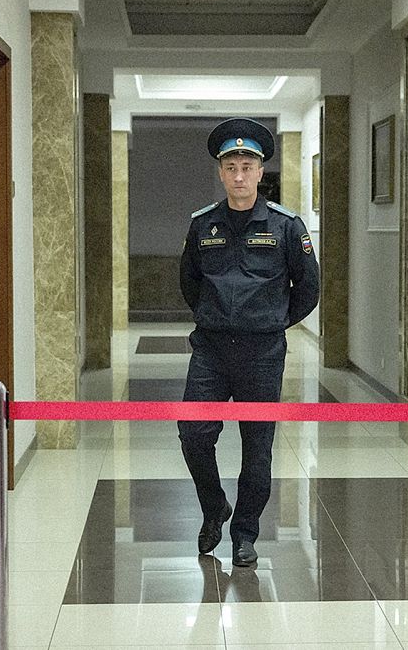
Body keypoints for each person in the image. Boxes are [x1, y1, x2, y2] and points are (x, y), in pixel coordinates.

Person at [178, 117, 320, 567]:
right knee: (194, 434)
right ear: (221, 172)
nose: (239, 175)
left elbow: (308, 289)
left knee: (257, 446)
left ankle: (245, 534)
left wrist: (273, 321)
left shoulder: (285, 226)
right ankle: (214, 506)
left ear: (261, 172)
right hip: (211, 351)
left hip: (262, 352)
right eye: (231, 166)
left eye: (248, 166)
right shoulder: (203, 225)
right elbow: (189, 283)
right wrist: (218, 317)